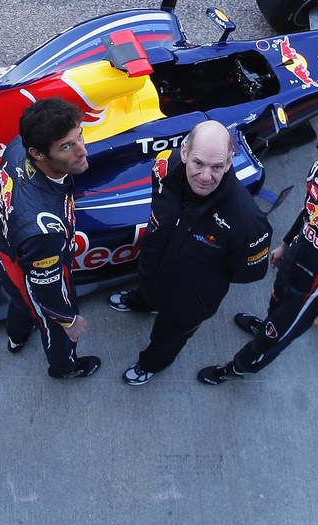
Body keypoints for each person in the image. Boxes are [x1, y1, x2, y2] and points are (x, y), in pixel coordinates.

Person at [198, 112, 318, 385]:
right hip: (295, 260)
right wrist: (285, 245)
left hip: (313, 291)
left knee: (274, 340)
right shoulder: (317, 171)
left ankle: (237, 369)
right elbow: (309, 212)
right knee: (275, 303)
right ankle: (266, 326)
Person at [106, 120, 272, 385]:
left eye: (217, 167)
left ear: (229, 162)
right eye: (198, 163)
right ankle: (141, 302)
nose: (206, 176)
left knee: (168, 337)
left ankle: (151, 364)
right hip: (151, 266)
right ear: (184, 152)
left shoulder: (248, 221)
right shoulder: (164, 166)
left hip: (190, 299)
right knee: (145, 290)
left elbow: (247, 273)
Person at [0, 98, 100, 379]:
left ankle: (16, 337)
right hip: (34, 263)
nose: (82, 151)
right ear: (38, 154)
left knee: (20, 302)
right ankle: (65, 368)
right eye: (66, 147)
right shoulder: (45, 231)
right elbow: (47, 291)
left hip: (8, 251)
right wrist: (68, 320)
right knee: (56, 327)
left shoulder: (18, 145)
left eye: (79, 137)